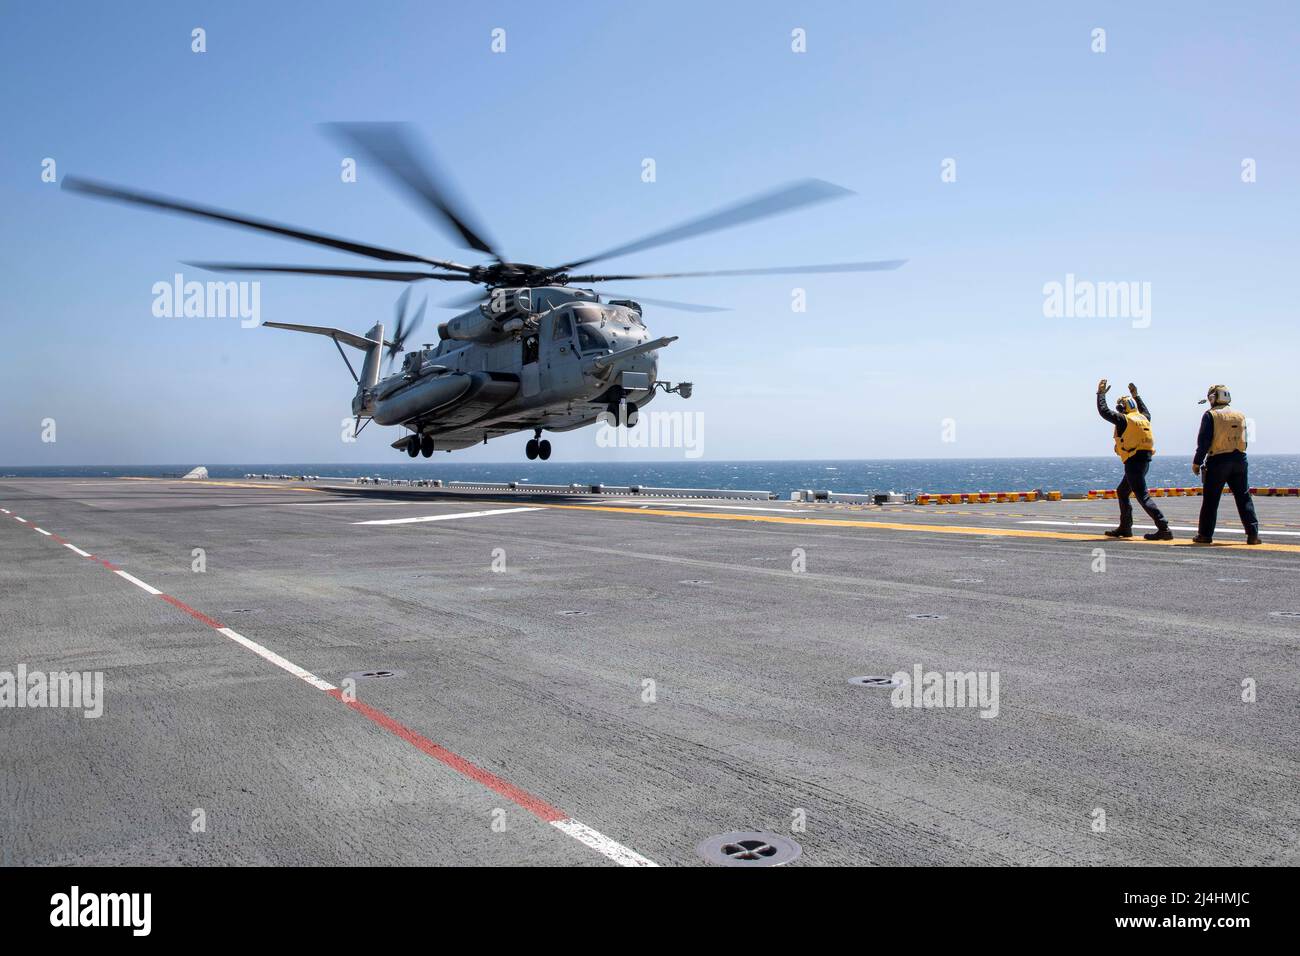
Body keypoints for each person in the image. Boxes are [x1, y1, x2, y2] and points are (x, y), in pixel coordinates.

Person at [1096, 379, 1173, 540]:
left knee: (1142, 496)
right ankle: (1125, 527)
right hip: (1144, 460)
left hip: (1133, 461)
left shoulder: (1125, 420)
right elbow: (1145, 410)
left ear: (1122, 408)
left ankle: (1163, 527)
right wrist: (1136, 396)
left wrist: (1101, 394)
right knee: (1122, 491)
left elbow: (1104, 411)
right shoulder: (1144, 418)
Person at [1192, 384, 1261, 545]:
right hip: (1240, 459)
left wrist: (1197, 462)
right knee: (1244, 497)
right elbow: (1246, 440)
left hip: (1218, 461)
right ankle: (1253, 534)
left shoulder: (1211, 415)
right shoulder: (1241, 415)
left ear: (1212, 398)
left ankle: (1205, 534)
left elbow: (1204, 442)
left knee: (1211, 499)